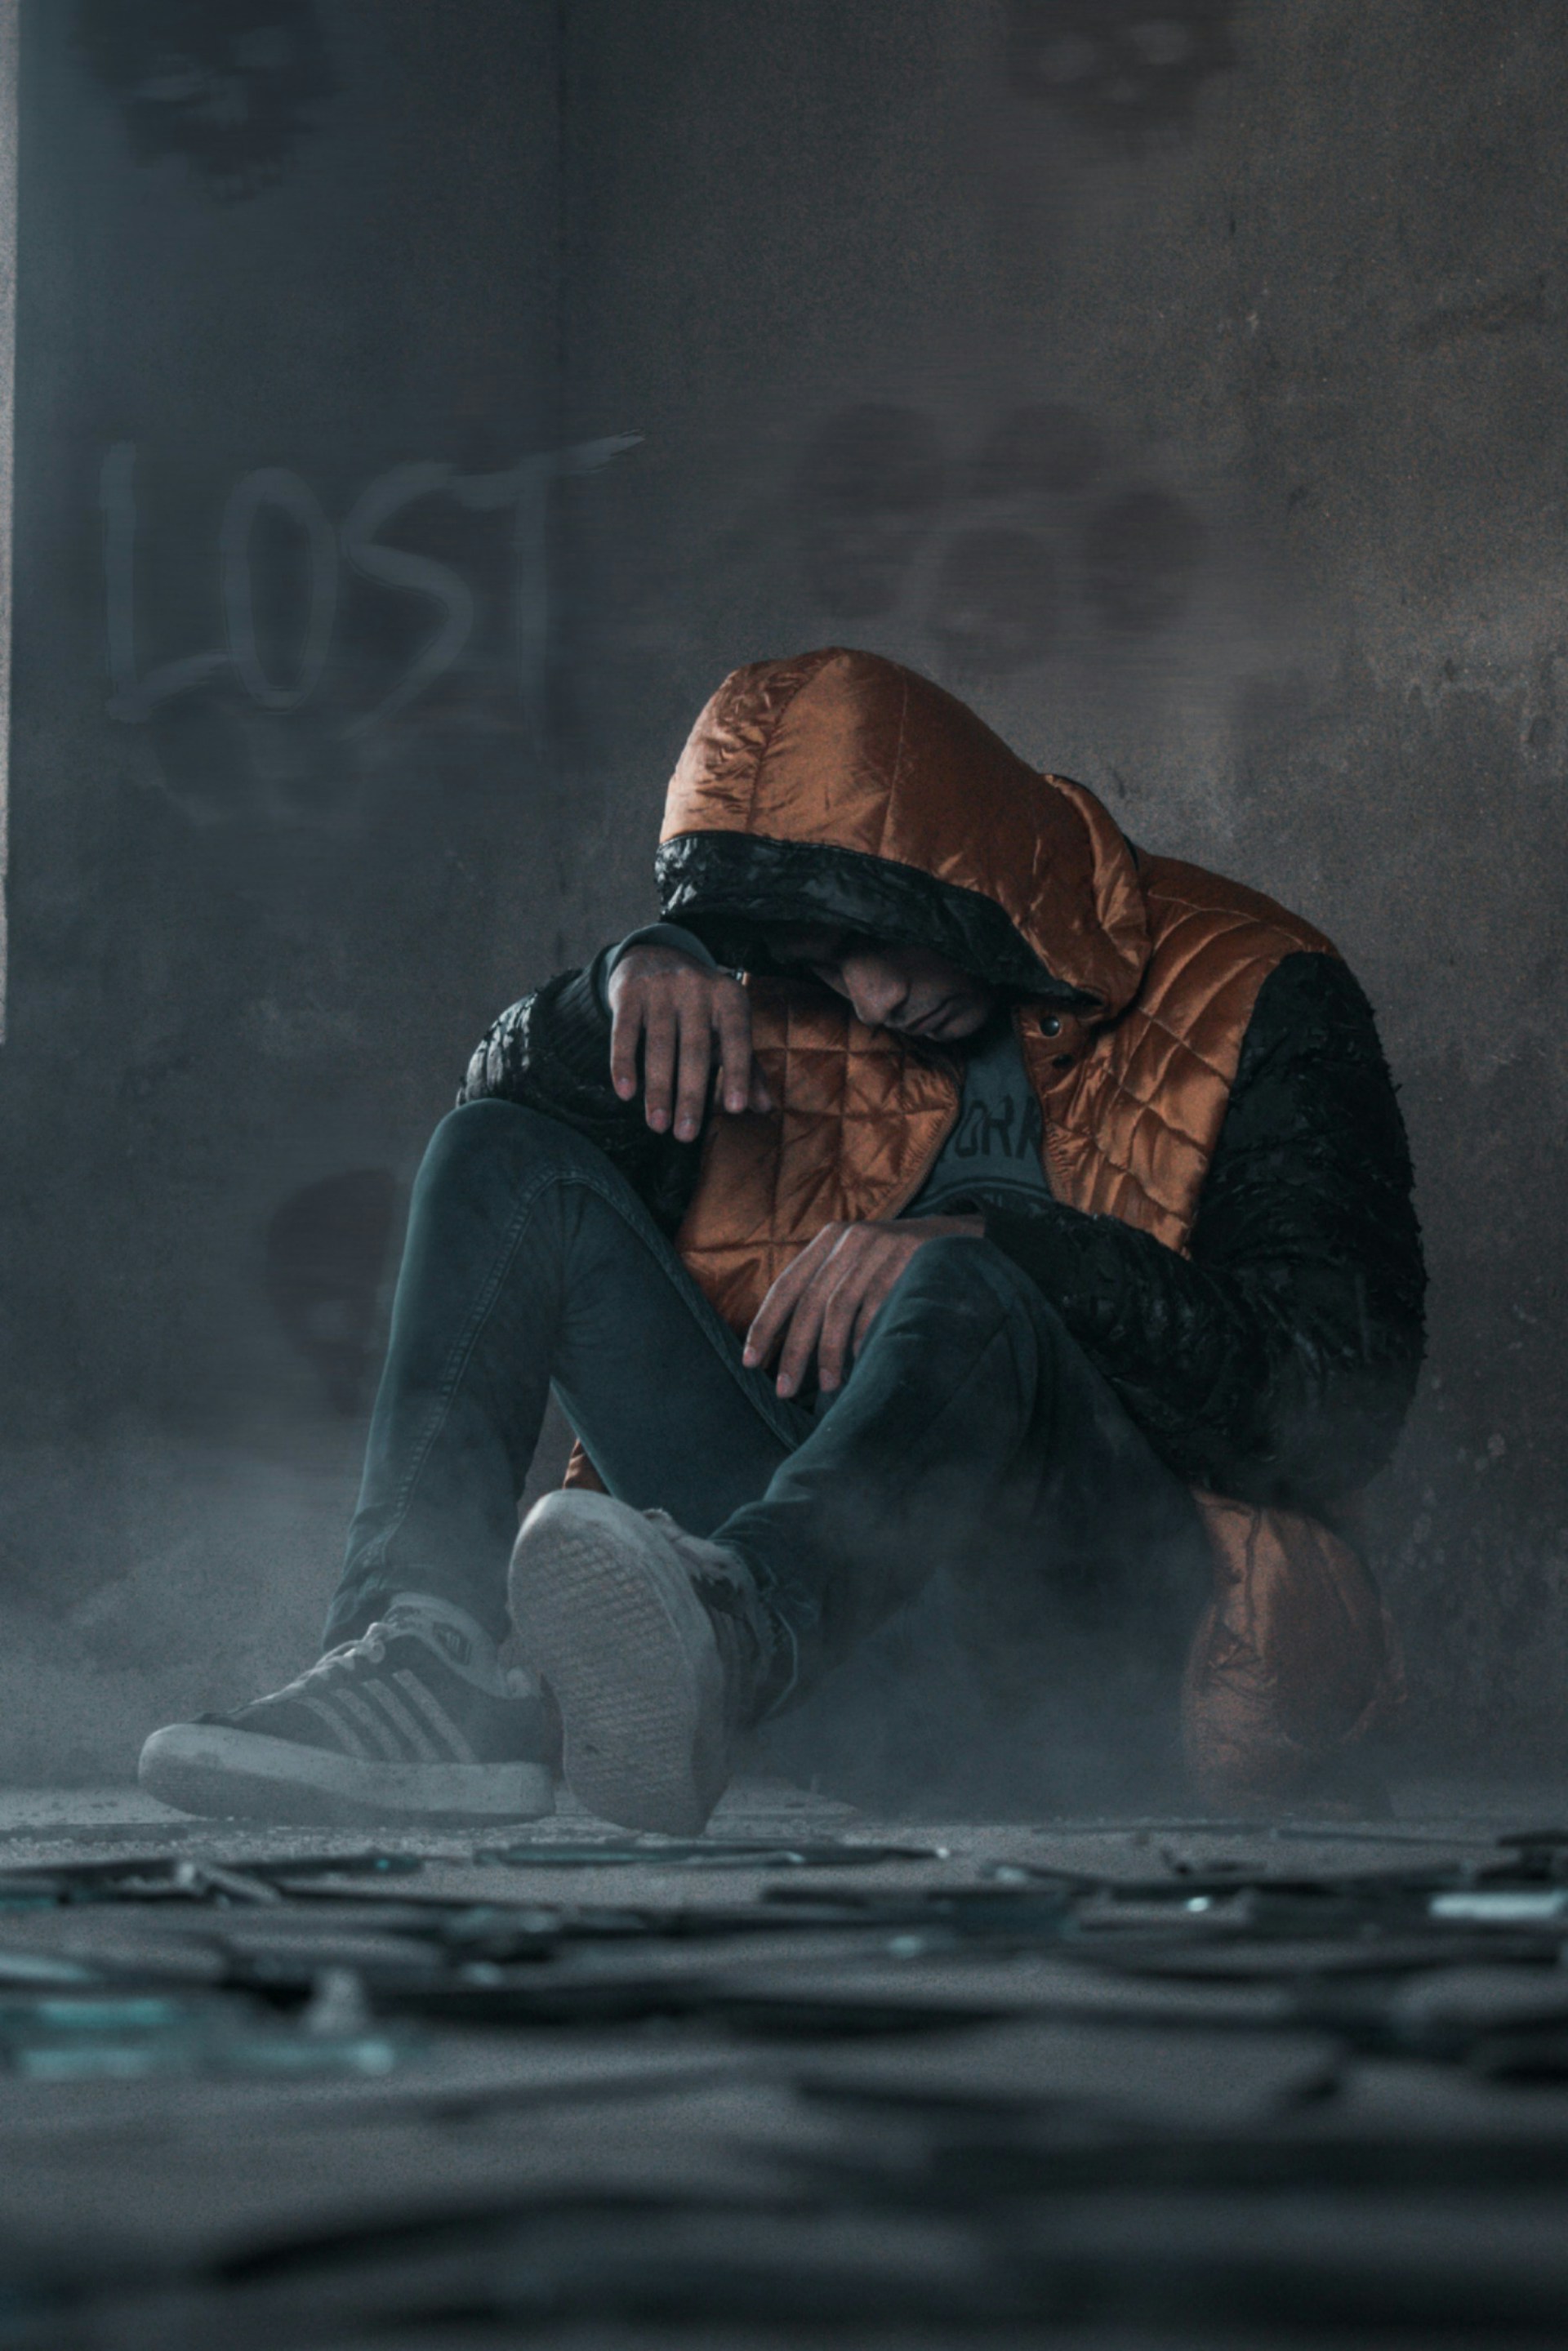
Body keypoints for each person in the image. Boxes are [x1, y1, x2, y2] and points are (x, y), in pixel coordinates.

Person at [140, 648, 1425, 1831]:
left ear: (959, 857)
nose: (869, 994)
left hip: (1100, 1660)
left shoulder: (1257, 987)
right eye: (818, 956)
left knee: (967, 1277)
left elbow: (1332, 1392)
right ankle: (421, 1661)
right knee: (496, 1156)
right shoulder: (786, 1011)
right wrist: (614, 991)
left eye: (875, 935)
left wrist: (1010, 1250)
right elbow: (519, 1151)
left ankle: (736, 1629)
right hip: (836, 1650)